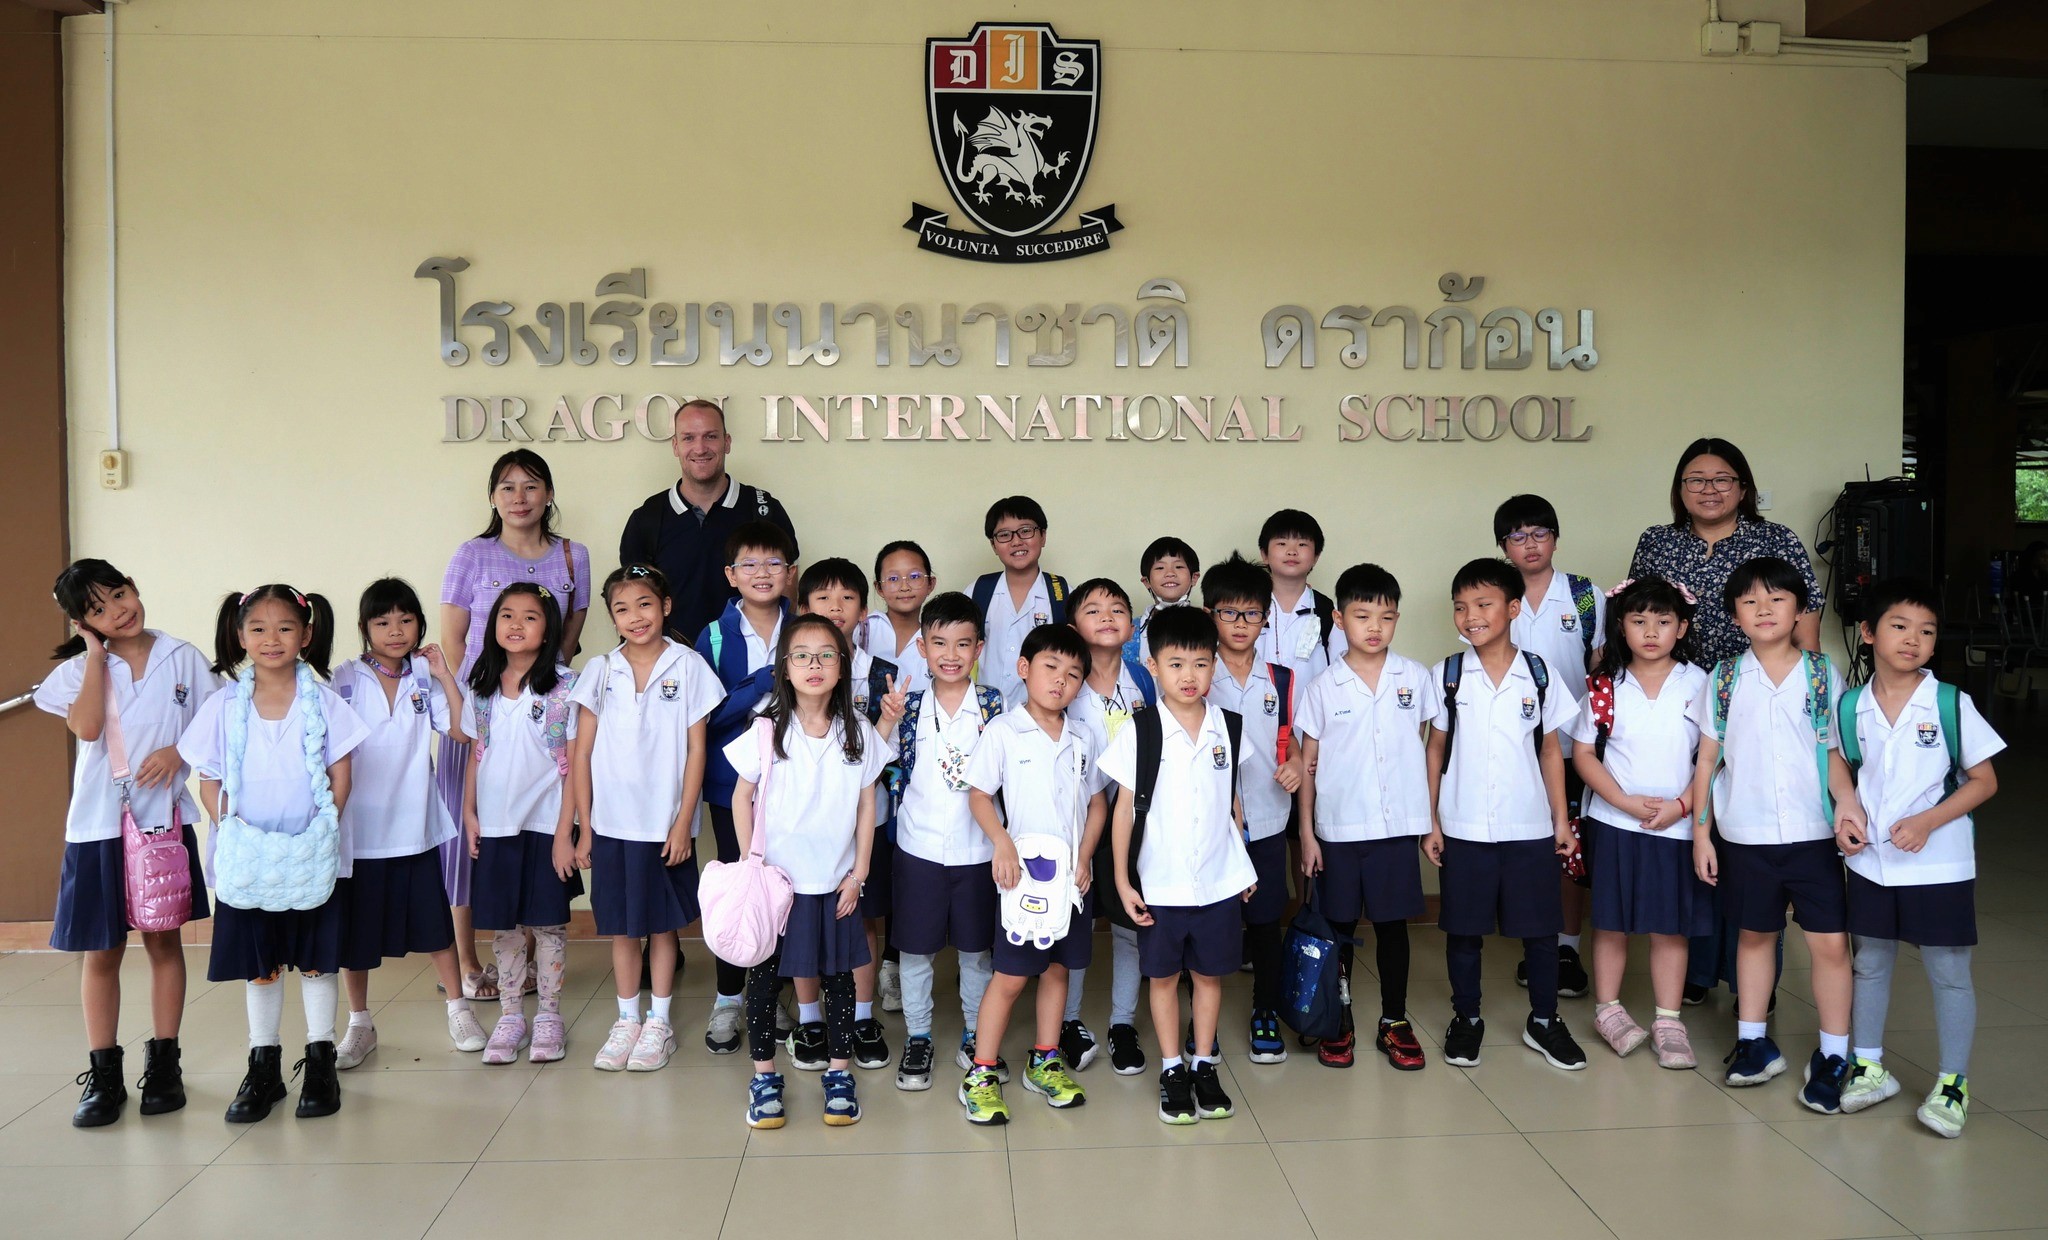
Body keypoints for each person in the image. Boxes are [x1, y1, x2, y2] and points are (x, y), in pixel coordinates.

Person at [1629, 439, 1822, 1006]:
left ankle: (1751, 985)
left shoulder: (1775, 539)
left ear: (1743, 487)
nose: (1709, 489)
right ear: (1679, 488)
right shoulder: (1658, 542)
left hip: (1761, 702)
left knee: (1751, 841)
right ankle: (1696, 970)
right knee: (1697, 831)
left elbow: (1805, 624)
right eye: (1696, 479)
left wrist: (1803, 700)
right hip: (1679, 701)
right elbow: (1640, 612)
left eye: (1722, 479)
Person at [180, 585, 370, 1123]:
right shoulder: (223, 705)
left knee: (315, 960)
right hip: (249, 859)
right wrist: (235, 831)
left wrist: (319, 833)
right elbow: (209, 779)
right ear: (240, 636)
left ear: (305, 635)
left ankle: (320, 1060)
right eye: (258, 629)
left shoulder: (325, 702)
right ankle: (263, 1065)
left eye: (285, 628)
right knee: (260, 966)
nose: (272, 639)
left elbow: (341, 774)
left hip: (313, 854)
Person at [38, 560, 216, 1127]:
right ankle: (104, 1075)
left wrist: (179, 753)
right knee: (103, 950)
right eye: (97, 609)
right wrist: (95, 656)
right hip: (98, 827)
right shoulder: (80, 669)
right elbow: (87, 728)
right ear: (81, 623)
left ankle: (164, 1066)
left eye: (119, 594)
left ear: (134, 587)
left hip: (162, 824)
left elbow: (217, 721)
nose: (117, 610)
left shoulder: (182, 656)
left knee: (164, 943)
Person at [1689, 556, 1863, 1112]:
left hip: (1813, 834)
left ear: (1799, 610)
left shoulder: (1822, 673)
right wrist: (1701, 834)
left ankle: (1833, 1054)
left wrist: (1848, 803)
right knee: (1754, 936)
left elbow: (1831, 750)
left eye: (1778, 599)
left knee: (1830, 943)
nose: (1764, 609)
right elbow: (1707, 761)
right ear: (1734, 615)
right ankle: (1753, 1043)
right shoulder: (1723, 678)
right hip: (1746, 835)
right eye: (1750, 601)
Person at [1834, 578, 2005, 1136]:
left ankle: (1953, 1084)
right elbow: (1839, 763)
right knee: (1870, 963)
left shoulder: (1950, 702)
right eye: (1900, 626)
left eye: (1926, 631)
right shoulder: (1851, 705)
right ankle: (1868, 1066)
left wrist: (1929, 821)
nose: (1913, 639)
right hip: (1871, 862)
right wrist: (1847, 811)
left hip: (1939, 864)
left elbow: (1984, 780)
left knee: (1949, 972)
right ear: (1868, 633)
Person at [438, 450, 592, 1002]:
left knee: (533, 829)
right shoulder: (472, 554)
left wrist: (542, 688)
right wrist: (468, 704)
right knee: (472, 838)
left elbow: (569, 636)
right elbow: (454, 638)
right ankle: (467, 962)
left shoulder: (573, 556)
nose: (519, 497)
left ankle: (525, 966)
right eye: (507, 486)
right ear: (492, 497)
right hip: (481, 709)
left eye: (531, 485)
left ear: (549, 493)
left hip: (543, 714)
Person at [1425, 559, 1587, 1071]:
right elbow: (1434, 749)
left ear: (1513, 609)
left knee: (1540, 931)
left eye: (1483, 604)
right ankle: (1467, 1017)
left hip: (1529, 825)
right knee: (1463, 931)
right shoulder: (1447, 675)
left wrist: (1561, 821)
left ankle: (1544, 1020)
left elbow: (1550, 751)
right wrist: (1431, 820)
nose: (1470, 616)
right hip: (1463, 824)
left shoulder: (1539, 674)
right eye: (1460, 607)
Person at [727, 615, 889, 1129]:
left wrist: (859, 873)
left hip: (835, 884)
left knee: (839, 980)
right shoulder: (766, 727)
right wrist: (752, 865)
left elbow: (867, 804)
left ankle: (839, 1075)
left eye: (826, 655)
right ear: (785, 667)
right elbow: (741, 797)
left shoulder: (857, 730)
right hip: (779, 886)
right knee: (764, 981)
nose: (813, 664)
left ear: (842, 667)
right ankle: (764, 1078)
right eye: (801, 655)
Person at [1103, 606, 1257, 1124]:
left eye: (1200, 663)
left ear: (1215, 664)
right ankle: (1172, 1068)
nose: (1189, 676)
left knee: (1210, 976)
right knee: (1164, 977)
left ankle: (1203, 1062)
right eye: (1175, 664)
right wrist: (1122, 879)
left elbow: (1232, 803)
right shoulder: (1140, 730)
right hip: (1161, 883)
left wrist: (1243, 866)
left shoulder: (1228, 727)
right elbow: (1124, 810)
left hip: (1217, 881)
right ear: (1152, 666)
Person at [570, 565, 722, 1073]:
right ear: (611, 617)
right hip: (612, 825)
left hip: (663, 826)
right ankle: (626, 1019)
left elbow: (697, 750)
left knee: (661, 927)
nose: (635, 617)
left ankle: (659, 1023)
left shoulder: (689, 666)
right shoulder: (600, 671)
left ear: (666, 607)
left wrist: (683, 822)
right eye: (622, 608)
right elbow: (582, 753)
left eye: (645, 604)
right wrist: (585, 826)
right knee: (621, 928)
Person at [329, 579, 484, 1068]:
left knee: (436, 927)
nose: (395, 630)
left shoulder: (423, 677)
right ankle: (359, 1024)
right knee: (355, 937)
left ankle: (458, 1010)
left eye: (405, 619)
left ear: (419, 623)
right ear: (364, 628)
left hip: (415, 826)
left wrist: (444, 675)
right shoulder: (343, 679)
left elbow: (461, 731)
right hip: (359, 831)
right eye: (383, 622)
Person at [958, 625, 1109, 1125]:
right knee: (1010, 976)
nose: (1061, 680)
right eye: (1051, 667)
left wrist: (1085, 856)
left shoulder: (1083, 736)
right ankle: (981, 1072)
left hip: (1072, 881)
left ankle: (1044, 1059)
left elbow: (1097, 802)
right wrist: (1001, 842)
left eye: (1074, 674)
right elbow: (979, 795)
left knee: (1059, 969)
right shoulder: (1004, 731)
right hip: (1022, 881)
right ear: (1024, 669)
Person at [1293, 563, 1436, 1071]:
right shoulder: (1323, 687)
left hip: (1395, 829)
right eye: (1362, 615)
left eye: (1387, 617)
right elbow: (1307, 765)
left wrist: (1429, 822)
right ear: (1339, 619)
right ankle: (1339, 1019)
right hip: (1338, 829)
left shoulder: (1414, 678)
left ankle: (1394, 1019)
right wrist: (1307, 834)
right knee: (1339, 928)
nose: (1375, 627)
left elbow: (1425, 745)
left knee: (1394, 927)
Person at [1568, 576, 1710, 1068]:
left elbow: (1714, 757)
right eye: (1639, 621)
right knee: (1611, 922)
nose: (1651, 632)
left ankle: (1668, 1020)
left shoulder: (1700, 683)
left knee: (1671, 926)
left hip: (1677, 826)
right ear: (1621, 627)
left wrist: (1682, 807)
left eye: (1663, 621)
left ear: (1682, 627)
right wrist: (1624, 802)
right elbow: (1584, 754)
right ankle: (1608, 1010)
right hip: (1613, 822)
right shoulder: (1605, 685)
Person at [886, 592, 1007, 1091]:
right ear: (922, 647)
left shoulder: (995, 705)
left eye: (962, 644)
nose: (951, 654)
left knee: (977, 952)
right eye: (939, 643)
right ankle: (918, 1036)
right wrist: (887, 719)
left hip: (979, 851)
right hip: (919, 848)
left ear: (979, 648)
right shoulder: (909, 706)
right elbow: (874, 762)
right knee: (915, 953)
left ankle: (977, 1034)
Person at [460, 584, 581, 1068]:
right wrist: (470, 813)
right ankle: (511, 1016)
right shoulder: (481, 686)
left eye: (530, 617)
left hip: (547, 823)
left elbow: (576, 765)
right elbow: (477, 754)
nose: (516, 624)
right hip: (495, 824)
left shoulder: (567, 687)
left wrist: (565, 832)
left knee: (548, 926)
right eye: (506, 615)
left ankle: (549, 1015)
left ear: (548, 629)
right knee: (505, 928)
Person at [795, 558, 908, 1072]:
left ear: (864, 611)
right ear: (803, 608)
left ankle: (862, 1016)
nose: (835, 607)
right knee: (803, 924)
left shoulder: (882, 674)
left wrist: (886, 721)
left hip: (867, 821)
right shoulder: (792, 671)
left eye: (847, 598)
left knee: (861, 918)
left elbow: (883, 759)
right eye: (823, 598)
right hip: (804, 827)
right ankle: (811, 1019)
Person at [694, 520, 797, 1051]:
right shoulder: (713, 635)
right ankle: (728, 998)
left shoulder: (805, 627)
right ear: (731, 575)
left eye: (773, 563)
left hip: (794, 781)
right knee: (740, 884)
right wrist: (760, 683)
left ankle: (769, 993)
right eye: (749, 564)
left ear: (790, 572)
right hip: (731, 783)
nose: (762, 573)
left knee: (783, 887)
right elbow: (705, 716)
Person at [1497, 494, 1604, 1000]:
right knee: (1527, 848)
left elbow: (1600, 666)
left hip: (1575, 746)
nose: (1530, 544)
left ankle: (1566, 947)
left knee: (1570, 847)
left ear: (1555, 539)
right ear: (1504, 547)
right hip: (1514, 748)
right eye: (1517, 536)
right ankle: (1534, 942)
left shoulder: (1584, 595)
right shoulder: (1496, 595)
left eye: (1539, 533)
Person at [1203, 554, 1304, 1068]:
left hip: (1266, 819)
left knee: (1265, 922)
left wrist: (1296, 764)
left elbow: (1292, 740)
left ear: (1266, 618)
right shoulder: (1198, 674)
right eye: (1228, 612)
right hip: (1211, 824)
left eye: (1251, 613)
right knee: (1213, 926)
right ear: (1210, 615)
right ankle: (1203, 1026)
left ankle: (1265, 1010)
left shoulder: (1280, 679)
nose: (1240, 623)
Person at [1063, 577, 1158, 1074]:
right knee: (1074, 925)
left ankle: (1122, 1023)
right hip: (1074, 823)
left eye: (1118, 609)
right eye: (1093, 609)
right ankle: (1067, 1021)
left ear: (1132, 625)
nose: (1107, 616)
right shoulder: (1062, 678)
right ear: (1073, 625)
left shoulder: (1144, 678)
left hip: (1132, 821)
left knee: (1128, 923)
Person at [619, 398, 800, 644]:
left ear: (727, 442)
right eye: (688, 438)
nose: (700, 448)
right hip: (673, 658)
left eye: (711, 436)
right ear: (675, 446)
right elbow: (633, 596)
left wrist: (781, 648)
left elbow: (786, 583)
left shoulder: (763, 510)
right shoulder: (648, 517)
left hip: (750, 658)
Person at [972, 495, 1070, 705]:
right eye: (1004, 535)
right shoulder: (978, 591)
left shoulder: (1062, 594)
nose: (1016, 541)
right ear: (993, 545)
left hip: (1043, 713)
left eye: (1025, 531)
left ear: (1043, 536)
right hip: (983, 711)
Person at [1257, 509, 1346, 683]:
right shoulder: (1247, 607)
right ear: (1264, 554)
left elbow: (1341, 667)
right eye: (1282, 543)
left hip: (1314, 701)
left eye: (1302, 544)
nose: (1292, 551)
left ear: (1316, 557)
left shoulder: (1328, 611)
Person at [864, 540, 938, 696]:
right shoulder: (864, 629)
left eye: (914, 576)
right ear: (879, 588)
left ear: (930, 584)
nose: (904, 587)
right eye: (893, 579)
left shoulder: (939, 637)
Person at [1123, 536, 1200, 663]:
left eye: (1178, 567)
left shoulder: (1208, 624)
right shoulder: (1132, 630)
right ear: (1146, 581)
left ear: (1194, 578)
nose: (1170, 573)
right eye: (1160, 568)